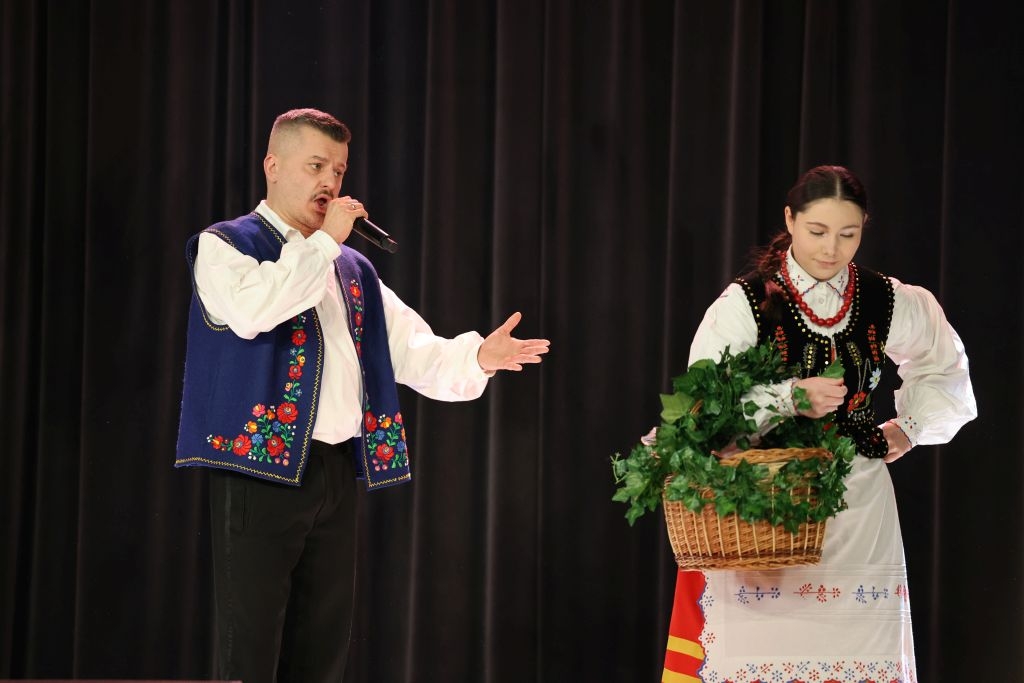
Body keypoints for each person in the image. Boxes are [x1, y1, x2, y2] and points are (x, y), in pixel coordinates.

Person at [174, 108, 550, 683]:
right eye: (316, 166)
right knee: (249, 650)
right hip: (258, 472)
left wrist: (478, 357)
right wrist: (325, 243)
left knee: (322, 651)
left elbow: (413, 350)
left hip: (332, 472)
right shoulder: (226, 245)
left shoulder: (352, 269)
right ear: (273, 166)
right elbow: (254, 311)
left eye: (339, 171)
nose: (330, 182)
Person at [660, 165, 976, 683]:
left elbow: (943, 363)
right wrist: (788, 399)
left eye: (848, 234)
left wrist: (910, 427)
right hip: (764, 511)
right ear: (790, 220)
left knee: (859, 657)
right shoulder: (746, 303)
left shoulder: (884, 298)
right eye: (818, 231)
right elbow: (703, 408)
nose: (831, 249)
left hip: (859, 506)